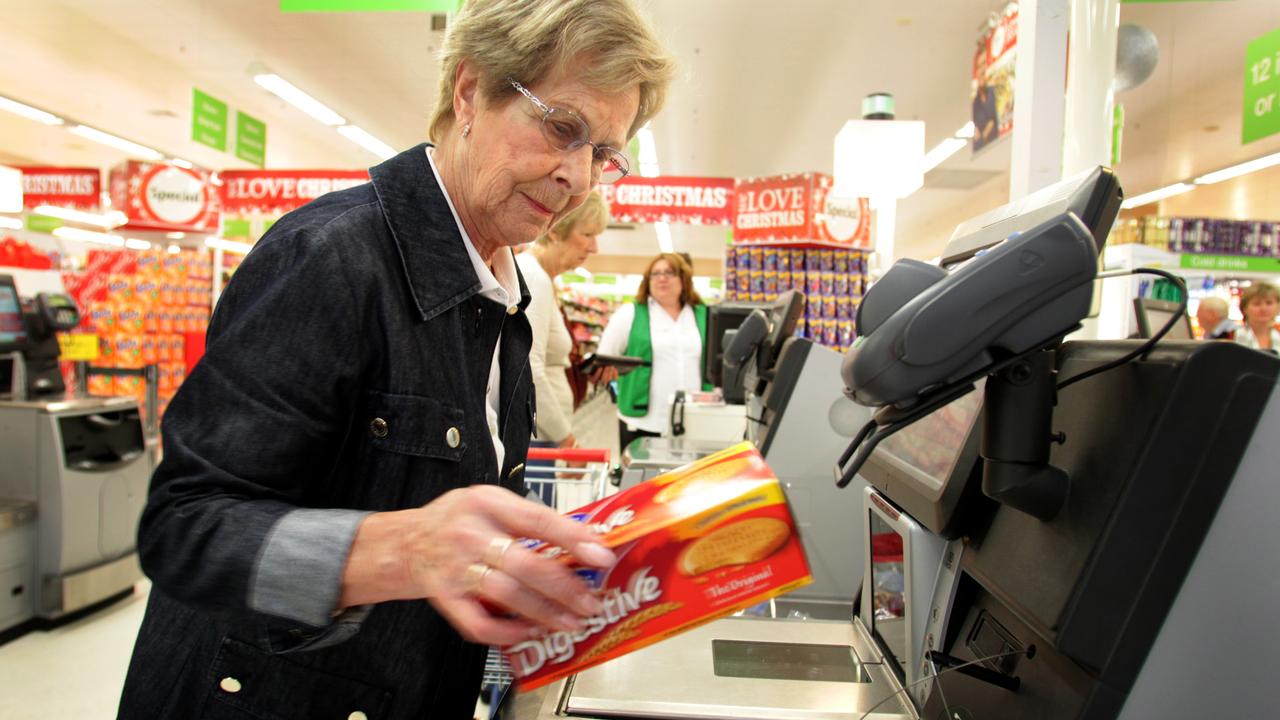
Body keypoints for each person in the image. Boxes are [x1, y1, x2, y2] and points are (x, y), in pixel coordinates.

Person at [116, 1, 675, 718]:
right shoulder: (329, 259)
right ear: (470, 91)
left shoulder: (504, 301)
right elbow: (184, 528)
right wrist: (398, 550)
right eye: (563, 127)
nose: (580, 178)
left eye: (602, 153)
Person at [516, 191, 607, 507]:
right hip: (536, 440)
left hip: (543, 437)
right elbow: (529, 369)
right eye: (587, 234)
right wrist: (568, 439)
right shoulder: (534, 277)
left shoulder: (542, 277)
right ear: (555, 229)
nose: (594, 247)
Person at [597, 253, 712, 454]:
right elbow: (605, 357)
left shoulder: (702, 314)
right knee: (644, 480)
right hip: (643, 420)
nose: (661, 278)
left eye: (669, 272)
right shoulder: (630, 313)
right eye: (655, 274)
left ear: (684, 279)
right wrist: (618, 385)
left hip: (695, 419)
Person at [1234, 282, 1280, 354]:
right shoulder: (1231, 336)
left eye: (1269, 303)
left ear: (1278, 307)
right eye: (1256, 304)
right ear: (1244, 308)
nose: (1263, 309)